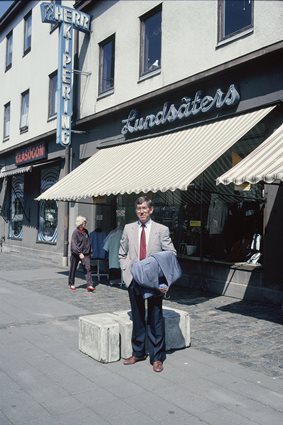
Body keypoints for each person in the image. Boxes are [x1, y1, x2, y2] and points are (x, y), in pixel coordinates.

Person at [118, 196, 176, 373]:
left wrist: (161, 276)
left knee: (155, 317)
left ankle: (157, 357)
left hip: (154, 282)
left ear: (151, 210)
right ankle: (138, 352)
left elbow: (171, 254)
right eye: (138, 209)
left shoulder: (161, 230)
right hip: (134, 279)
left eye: (144, 208)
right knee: (137, 317)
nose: (141, 211)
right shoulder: (129, 229)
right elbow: (122, 253)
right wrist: (127, 273)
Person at [68, 216, 95, 292]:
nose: (85, 223)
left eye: (85, 222)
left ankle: (90, 285)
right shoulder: (75, 233)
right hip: (76, 253)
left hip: (85, 253)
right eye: (84, 222)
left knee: (88, 268)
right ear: (80, 223)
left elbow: (88, 242)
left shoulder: (86, 231)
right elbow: (73, 244)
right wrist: (79, 252)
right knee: (73, 268)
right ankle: (71, 283)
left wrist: (90, 251)